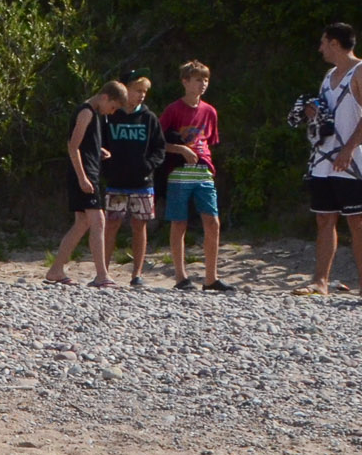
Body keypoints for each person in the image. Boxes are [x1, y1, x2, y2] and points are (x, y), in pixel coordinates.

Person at [300, 22, 362, 296]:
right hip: (324, 158)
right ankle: (320, 281)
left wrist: (349, 148)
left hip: (352, 159)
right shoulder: (329, 75)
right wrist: (312, 111)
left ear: (335, 43)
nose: (320, 48)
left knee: (358, 219)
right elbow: (327, 111)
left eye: (323, 42)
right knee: (324, 218)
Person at [42, 82, 125, 288]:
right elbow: (73, 146)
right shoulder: (86, 112)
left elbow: (85, 143)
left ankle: (56, 270)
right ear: (105, 97)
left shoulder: (95, 114)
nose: (112, 112)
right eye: (113, 107)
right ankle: (101, 275)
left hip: (89, 173)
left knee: (82, 223)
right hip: (84, 175)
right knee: (99, 221)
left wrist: (97, 150)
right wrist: (82, 178)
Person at [160, 61, 231, 291]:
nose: (203, 84)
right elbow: (157, 142)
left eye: (206, 80)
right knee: (179, 222)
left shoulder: (210, 111)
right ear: (185, 81)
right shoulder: (173, 110)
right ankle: (180, 276)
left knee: (212, 220)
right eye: (198, 79)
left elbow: (210, 141)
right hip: (179, 171)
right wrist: (180, 149)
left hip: (202, 170)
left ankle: (211, 277)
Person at [101, 76, 164, 288]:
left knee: (139, 225)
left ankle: (137, 273)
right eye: (137, 90)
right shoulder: (110, 116)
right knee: (111, 224)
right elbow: (100, 143)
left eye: (144, 91)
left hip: (142, 183)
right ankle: (103, 271)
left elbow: (159, 148)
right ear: (125, 90)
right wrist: (107, 167)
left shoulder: (149, 118)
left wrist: (148, 165)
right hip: (116, 181)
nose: (141, 95)